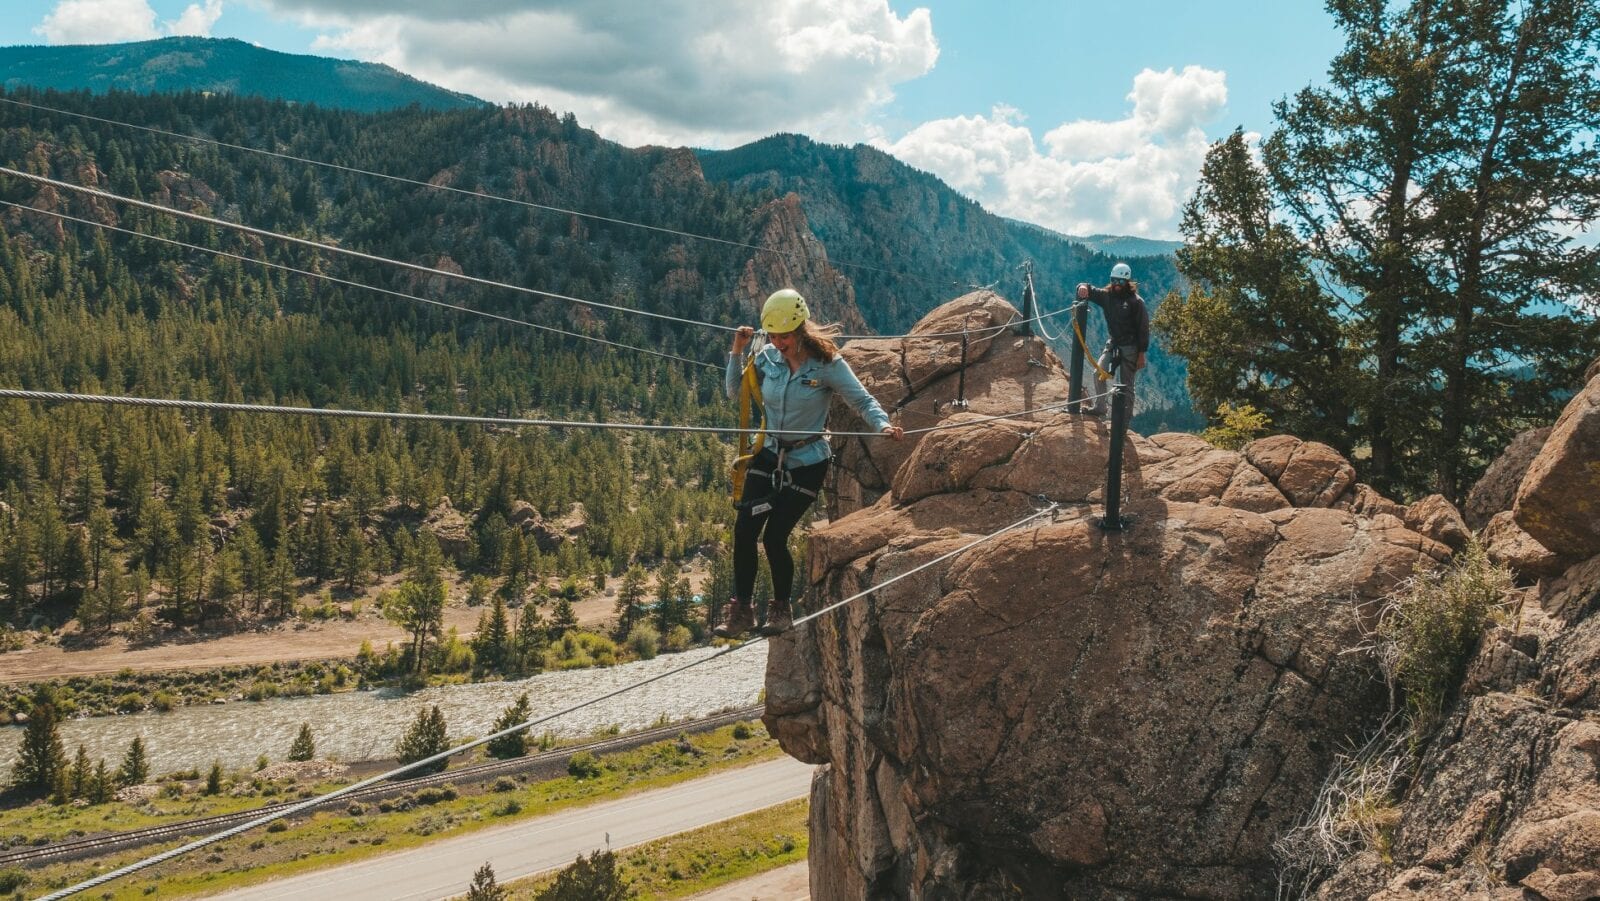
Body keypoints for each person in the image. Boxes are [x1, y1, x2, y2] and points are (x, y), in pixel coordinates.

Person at [715, 289, 903, 639]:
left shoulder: (827, 364)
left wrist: (883, 425)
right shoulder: (766, 357)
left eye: (783, 336)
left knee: (774, 537)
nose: (777, 342)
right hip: (769, 455)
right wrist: (737, 352)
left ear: (800, 329)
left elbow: (861, 399)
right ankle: (741, 611)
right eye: (771, 335)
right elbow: (732, 392)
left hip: (807, 463)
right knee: (744, 530)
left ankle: (781, 609)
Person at [1076, 262, 1150, 416]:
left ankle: (1124, 421)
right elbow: (1089, 289)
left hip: (1131, 347)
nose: (1117, 285)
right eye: (1114, 280)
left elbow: (1143, 330)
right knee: (1098, 373)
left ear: (1128, 282)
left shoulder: (1136, 302)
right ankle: (1100, 407)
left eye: (1121, 282)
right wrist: (1082, 287)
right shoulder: (1106, 296)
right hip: (1113, 342)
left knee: (1126, 386)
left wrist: (1141, 354)